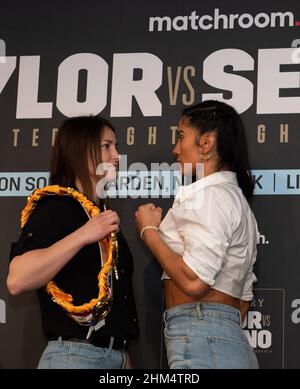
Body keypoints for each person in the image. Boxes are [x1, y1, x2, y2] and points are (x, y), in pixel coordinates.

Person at [7, 116, 139, 369]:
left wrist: (122, 358)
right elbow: (17, 279)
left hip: (115, 357)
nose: (117, 156)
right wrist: (84, 234)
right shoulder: (56, 207)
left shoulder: (98, 216)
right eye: (107, 146)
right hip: (75, 356)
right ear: (81, 149)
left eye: (116, 146)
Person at [135, 100, 259, 369]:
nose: (175, 149)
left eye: (181, 137)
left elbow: (195, 281)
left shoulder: (210, 197)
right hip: (220, 341)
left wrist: (149, 231)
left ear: (206, 143)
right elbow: (242, 302)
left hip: (203, 340)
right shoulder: (233, 199)